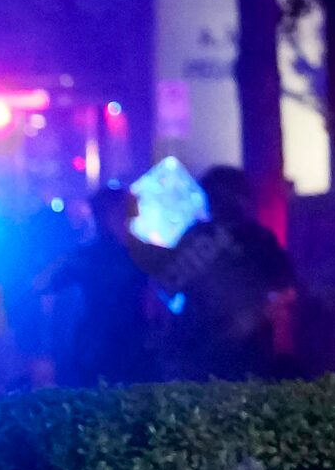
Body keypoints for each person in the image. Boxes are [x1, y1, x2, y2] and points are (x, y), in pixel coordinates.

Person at [149, 165, 295, 380]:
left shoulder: (200, 237)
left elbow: (162, 288)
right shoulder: (257, 237)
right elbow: (286, 288)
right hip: (236, 349)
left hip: (213, 350)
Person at [41, 185, 157, 385]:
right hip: (117, 346)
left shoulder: (85, 256)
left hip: (103, 346)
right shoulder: (139, 255)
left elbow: (44, 283)